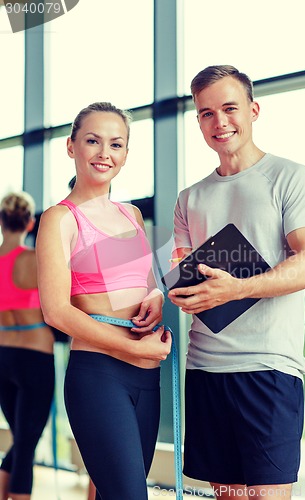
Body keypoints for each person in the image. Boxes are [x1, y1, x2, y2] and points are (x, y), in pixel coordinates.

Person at [168, 65, 305, 500]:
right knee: (229, 497)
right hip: (205, 369)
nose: (219, 122)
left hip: (268, 368)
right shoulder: (190, 198)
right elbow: (183, 274)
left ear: (253, 110)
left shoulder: (291, 178)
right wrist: (176, 292)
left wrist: (235, 288)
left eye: (229, 108)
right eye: (206, 113)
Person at [36, 102, 172, 500]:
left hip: (147, 377)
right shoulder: (59, 219)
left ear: (126, 154)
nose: (104, 153)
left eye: (116, 144)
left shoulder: (131, 214)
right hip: (99, 375)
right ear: (71, 146)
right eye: (92, 141)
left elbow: (144, 285)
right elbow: (56, 311)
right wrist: (132, 345)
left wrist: (157, 297)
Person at [0, 192, 55, 500]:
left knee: (22, 439)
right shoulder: (34, 259)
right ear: (30, 223)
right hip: (34, 356)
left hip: (2, 353)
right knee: (25, 443)